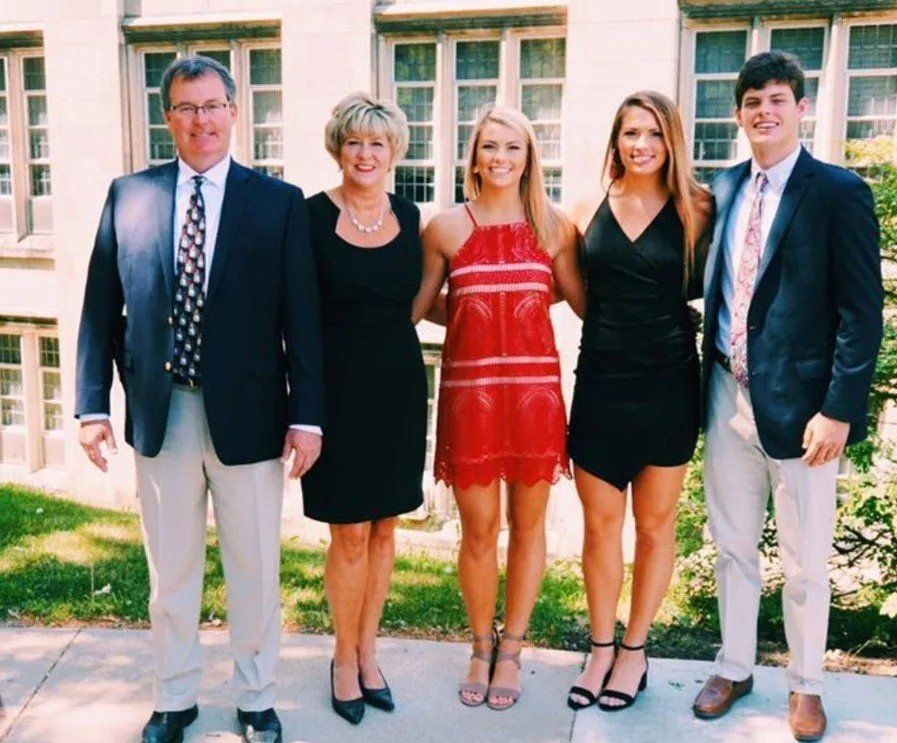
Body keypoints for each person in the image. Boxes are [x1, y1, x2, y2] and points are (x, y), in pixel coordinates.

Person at [75, 55, 325, 743]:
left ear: (235, 112)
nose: (201, 120)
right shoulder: (130, 194)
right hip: (164, 413)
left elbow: (300, 317)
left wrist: (307, 415)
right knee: (172, 571)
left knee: (255, 570)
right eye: (186, 108)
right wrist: (92, 405)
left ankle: (256, 699)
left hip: (250, 416)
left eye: (213, 105)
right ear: (168, 117)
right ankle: (174, 699)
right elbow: (102, 307)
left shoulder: (276, 202)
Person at [691, 51, 882, 742]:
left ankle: (806, 685)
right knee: (733, 546)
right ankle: (736, 664)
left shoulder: (837, 191)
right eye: (752, 101)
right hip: (723, 393)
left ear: (800, 107)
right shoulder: (722, 185)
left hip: (806, 413)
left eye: (777, 98)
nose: (764, 111)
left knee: (805, 561)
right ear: (738, 114)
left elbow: (862, 312)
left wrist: (839, 407)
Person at [411, 106, 584, 711]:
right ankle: (480, 646)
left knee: (529, 527)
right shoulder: (444, 228)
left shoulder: (555, 228)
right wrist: (473, 308)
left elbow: (579, 299)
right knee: (480, 530)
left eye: (514, 147)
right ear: (475, 155)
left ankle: (513, 650)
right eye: (490, 147)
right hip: (472, 395)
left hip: (535, 393)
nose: (501, 158)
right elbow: (420, 305)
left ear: (529, 156)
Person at [564, 91, 712, 712]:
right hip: (600, 382)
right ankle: (600, 647)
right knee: (599, 528)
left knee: (653, 527)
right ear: (615, 139)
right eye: (630, 133)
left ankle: (635, 650)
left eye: (653, 133)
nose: (641, 145)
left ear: (671, 138)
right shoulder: (583, 206)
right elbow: (577, 294)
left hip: (669, 385)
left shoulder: (699, 208)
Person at [300, 93, 426, 726]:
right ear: (338, 147)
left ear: (394, 151)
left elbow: (427, 301)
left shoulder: (410, 213)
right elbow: (294, 318)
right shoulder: (310, 218)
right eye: (355, 142)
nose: (366, 153)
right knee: (347, 532)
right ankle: (342, 659)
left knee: (384, 528)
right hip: (335, 393)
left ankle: (370, 651)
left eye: (378, 143)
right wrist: (304, 412)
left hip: (399, 389)